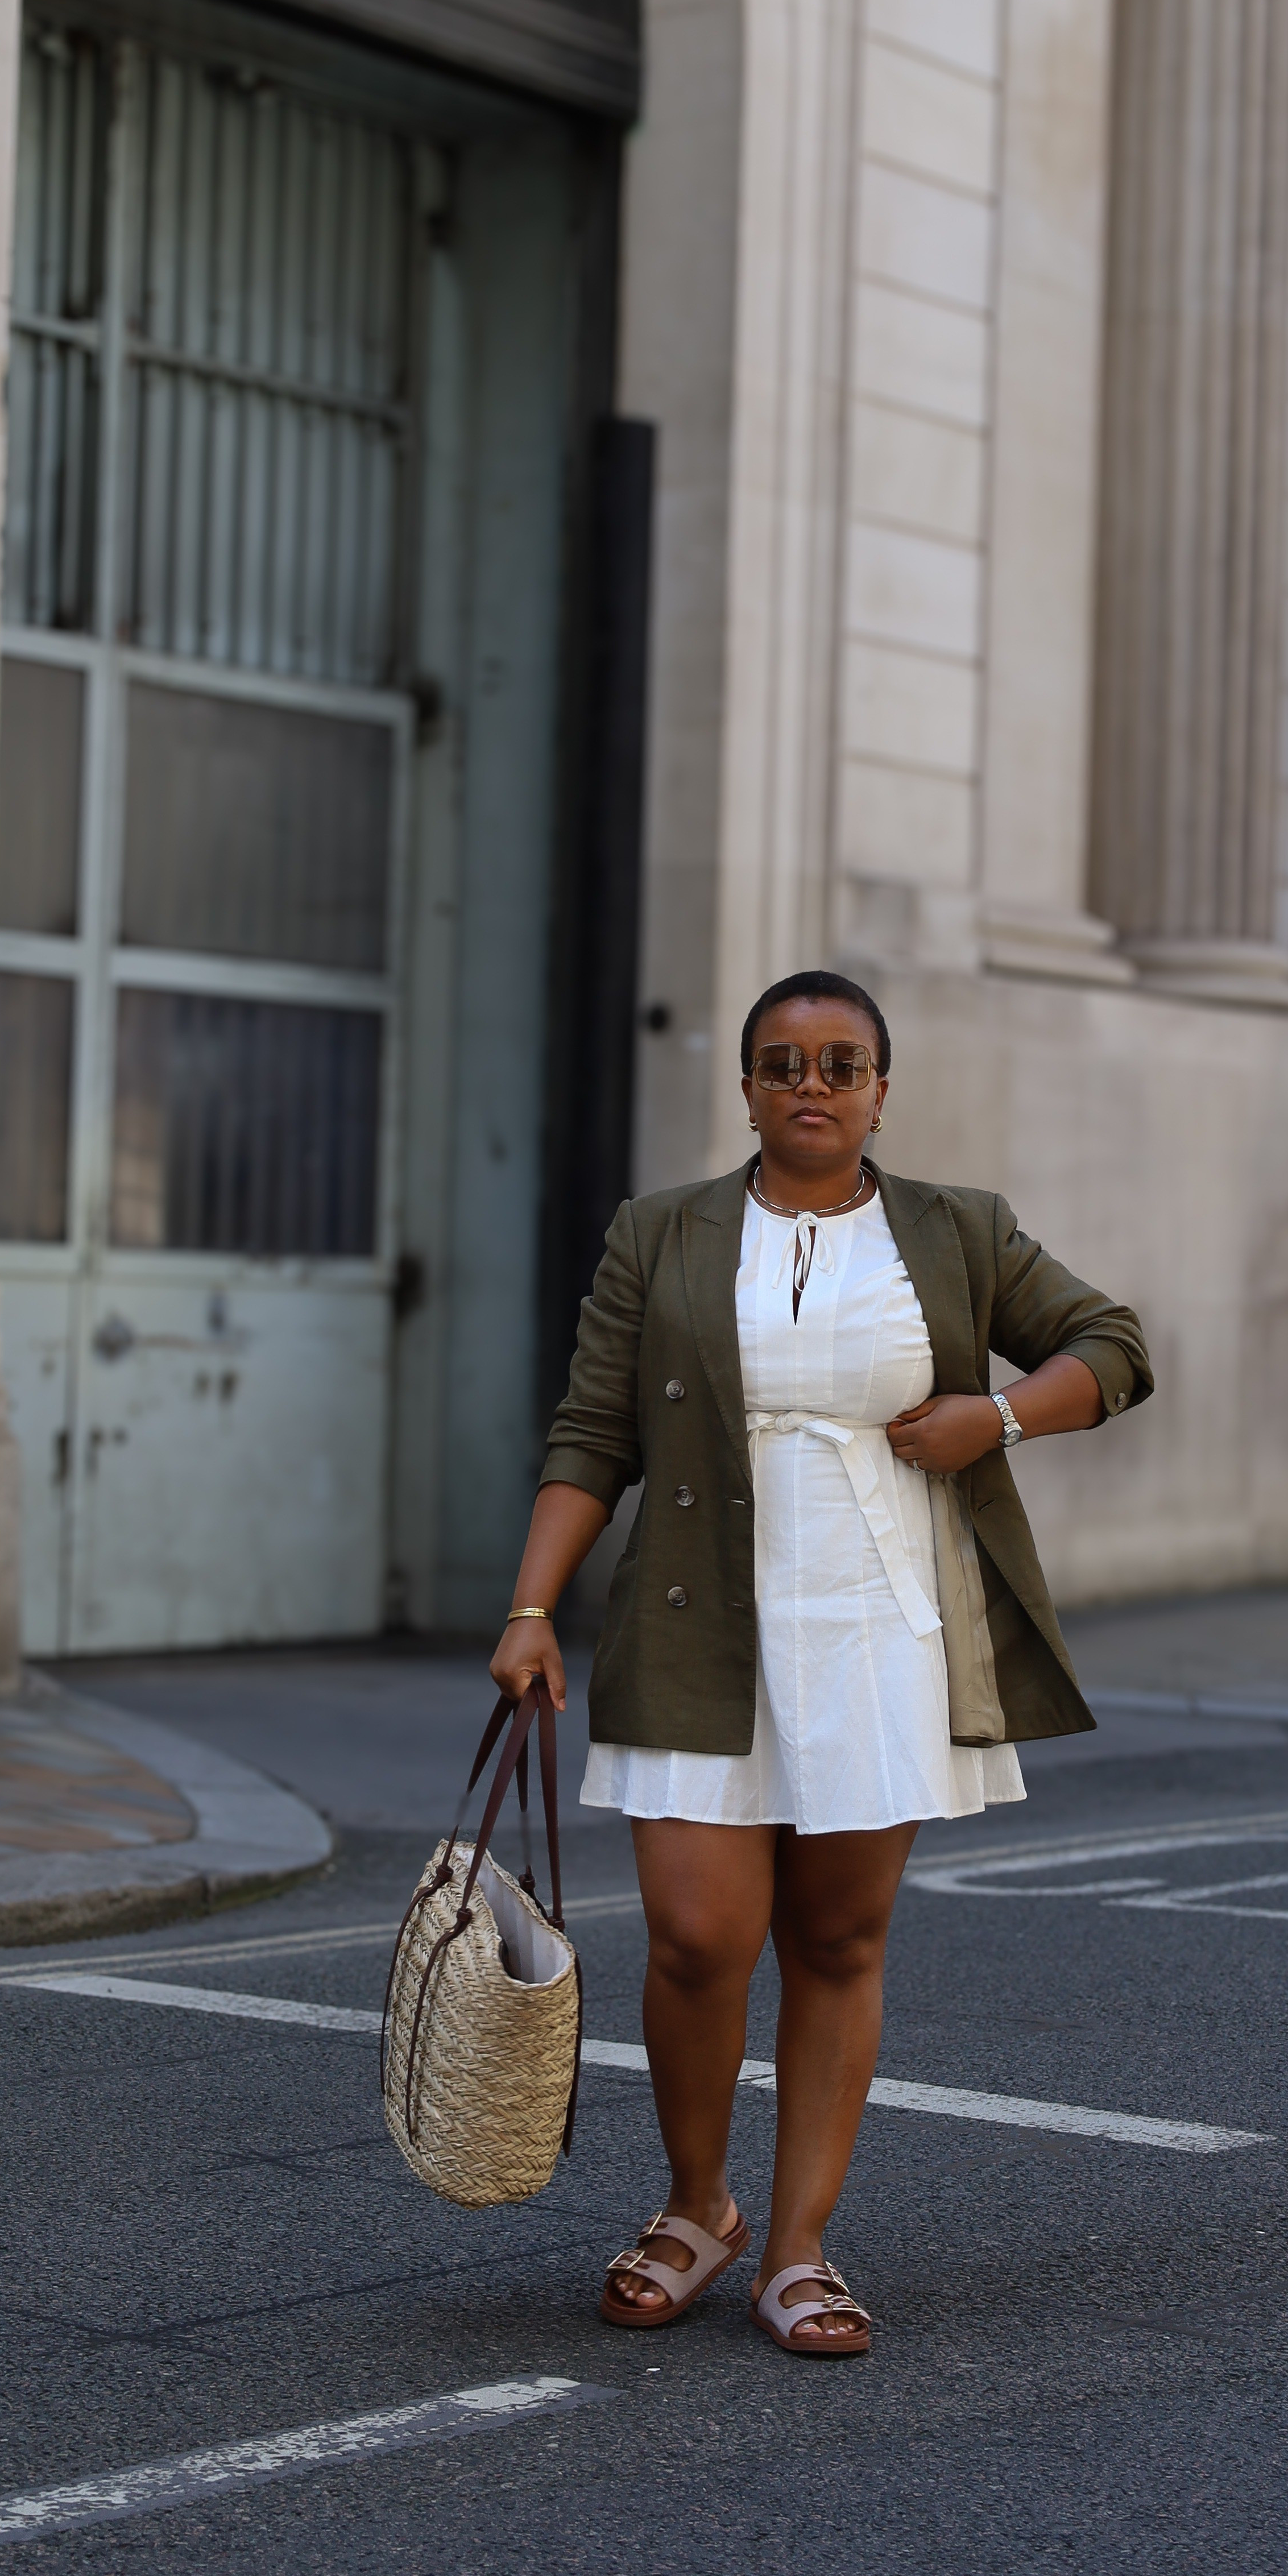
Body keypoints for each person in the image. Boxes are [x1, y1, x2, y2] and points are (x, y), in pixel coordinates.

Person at [489, 969, 1152, 2357]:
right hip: (692, 1618)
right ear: (744, 1088)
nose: (811, 1084)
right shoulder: (660, 1233)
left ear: (879, 1092)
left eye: (840, 1064)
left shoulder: (956, 1230)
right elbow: (591, 1432)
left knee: (839, 1940)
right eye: (782, 1062)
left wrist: (1002, 1418)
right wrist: (533, 1609)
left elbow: (1113, 1347)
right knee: (695, 1939)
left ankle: (796, 2249)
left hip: (879, 1619)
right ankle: (696, 2206)